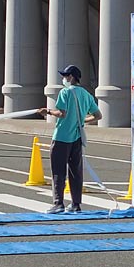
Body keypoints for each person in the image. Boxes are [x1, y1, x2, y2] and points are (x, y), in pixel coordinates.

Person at [38, 65, 102, 214]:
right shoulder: (86, 95)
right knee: (76, 172)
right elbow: (98, 115)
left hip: (62, 137)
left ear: (71, 77)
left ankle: (58, 203)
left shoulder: (65, 92)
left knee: (58, 171)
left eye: (66, 76)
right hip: (77, 137)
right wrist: (82, 120)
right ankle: (75, 204)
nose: (64, 79)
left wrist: (47, 111)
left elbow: (62, 113)